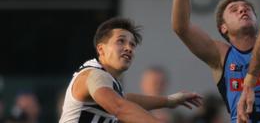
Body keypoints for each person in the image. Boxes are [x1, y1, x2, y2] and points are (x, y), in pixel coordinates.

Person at [58, 17, 202, 123]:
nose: (129, 48)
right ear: (101, 49)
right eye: (121, 41)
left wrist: (169, 101)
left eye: (132, 44)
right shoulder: (94, 75)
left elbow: (126, 100)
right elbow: (120, 107)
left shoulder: (107, 83)